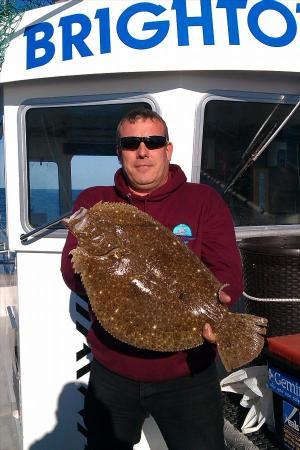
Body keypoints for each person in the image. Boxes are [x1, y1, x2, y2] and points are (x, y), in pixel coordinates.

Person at [61, 108, 244, 450]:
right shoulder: (94, 202)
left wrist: (219, 305)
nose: (142, 150)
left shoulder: (203, 200)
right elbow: (72, 273)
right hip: (113, 371)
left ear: (167, 149)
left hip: (188, 373)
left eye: (153, 141)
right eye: (131, 143)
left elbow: (227, 272)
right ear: (120, 151)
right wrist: (115, 272)